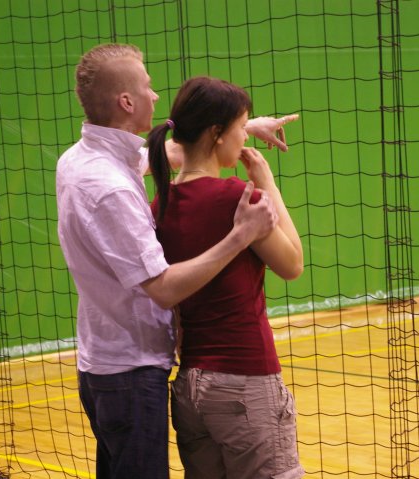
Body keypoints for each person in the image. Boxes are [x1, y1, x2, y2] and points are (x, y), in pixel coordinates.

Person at [56, 43, 295, 479]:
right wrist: (242, 233)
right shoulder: (111, 185)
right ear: (126, 102)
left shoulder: (86, 161)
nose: (155, 96)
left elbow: (174, 153)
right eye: (147, 87)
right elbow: (165, 289)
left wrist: (240, 129)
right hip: (141, 372)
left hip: (164, 379)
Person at [147, 76, 304, 479]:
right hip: (245, 380)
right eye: (240, 126)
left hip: (190, 389)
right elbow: (292, 264)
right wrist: (266, 183)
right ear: (217, 133)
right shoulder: (240, 198)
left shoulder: (159, 204)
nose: (244, 135)